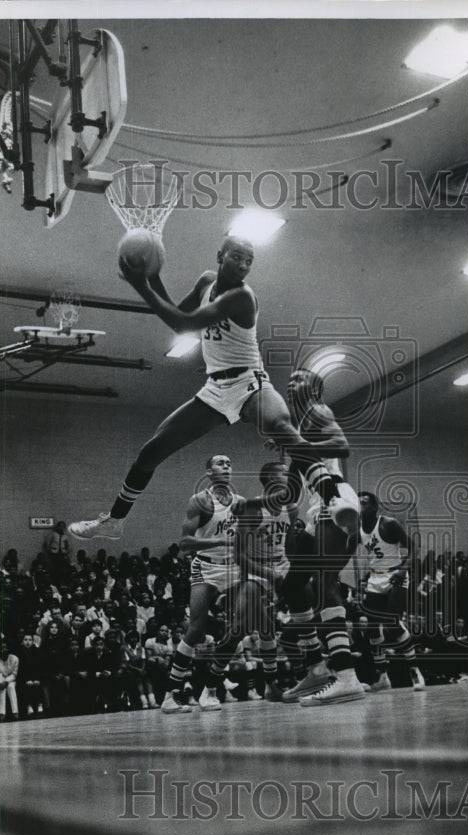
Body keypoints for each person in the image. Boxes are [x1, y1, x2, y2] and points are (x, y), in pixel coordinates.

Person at [69, 237, 346, 542]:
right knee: (151, 451)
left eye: (249, 261)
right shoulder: (206, 283)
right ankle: (114, 522)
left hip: (250, 381)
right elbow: (179, 320)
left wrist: (142, 286)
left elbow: (186, 323)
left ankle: (333, 498)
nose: (243, 265)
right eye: (237, 257)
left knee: (281, 426)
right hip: (216, 388)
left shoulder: (242, 297)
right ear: (220, 256)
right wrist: (154, 278)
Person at [278, 368, 365, 706]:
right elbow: (293, 483)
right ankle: (316, 668)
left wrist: (296, 445)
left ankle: (347, 677)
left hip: (334, 499)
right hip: (314, 512)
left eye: (298, 379)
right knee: (292, 586)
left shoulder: (318, 410)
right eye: (289, 380)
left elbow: (341, 446)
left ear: (314, 388)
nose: (291, 383)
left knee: (325, 583)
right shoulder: (298, 426)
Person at [201, 460, 296, 706]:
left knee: (269, 627)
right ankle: (209, 688)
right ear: (272, 479)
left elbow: (290, 547)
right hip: (255, 570)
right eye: (285, 473)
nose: (290, 477)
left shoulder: (291, 507)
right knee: (239, 631)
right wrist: (270, 575)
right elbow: (240, 557)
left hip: (281, 566)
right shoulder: (252, 511)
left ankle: (276, 685)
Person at [160, 455, 242, 714]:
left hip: (233, 567)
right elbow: (185, 543)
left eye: (229, 463)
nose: (226, 466)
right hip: (205, 566)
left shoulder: (240, 503)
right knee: (195, 629)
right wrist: (221, 542)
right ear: (208, 471)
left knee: (240, 627)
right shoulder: (200, 501)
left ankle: (211, 688)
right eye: (220, 463)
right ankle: (171, 695)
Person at [357, 490, 426, 692]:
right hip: (375, 578)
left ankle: (415, 671)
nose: (360, 506)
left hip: (396, 574)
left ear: (374, 507)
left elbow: (414, 548)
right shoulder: (358, 529)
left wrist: (403, 569)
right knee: (371, 628)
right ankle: (382, 677)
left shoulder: (389, 523)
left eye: (364, 503)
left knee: (392, 624)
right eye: (358, 503)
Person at [0, 640, 20, 722]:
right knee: (1, 689)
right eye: (1, 648)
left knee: (11, 687)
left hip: (11, 680)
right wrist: (1, 682)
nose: (4, 650)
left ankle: (15, 712)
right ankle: (2, 713)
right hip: (0, 680)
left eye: (5, 647)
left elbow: (14, 674)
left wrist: (6, 681)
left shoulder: (15, 658)